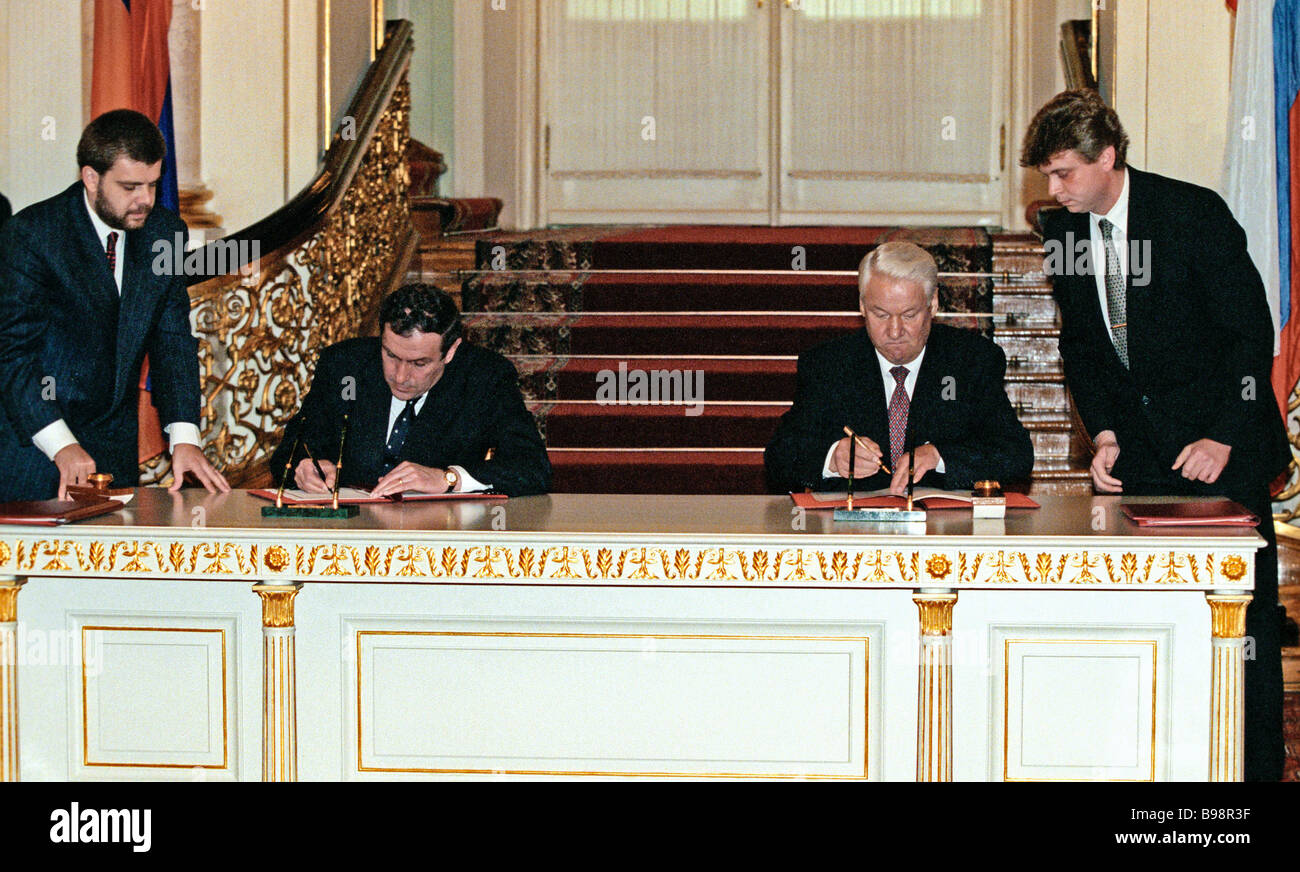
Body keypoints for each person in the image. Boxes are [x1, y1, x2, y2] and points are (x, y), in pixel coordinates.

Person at [1022, 89, 1291, 781]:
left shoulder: (1191, 214)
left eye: (1063, 173)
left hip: (1218, 449)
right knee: (1148, 614)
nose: (1053, 189)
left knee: (1240, 625)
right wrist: (1105, 433)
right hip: (1141, 452)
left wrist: (1223, 438)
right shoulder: (1068, 233)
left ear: (1107, 156)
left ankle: (1251, 778)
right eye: (1047, 176)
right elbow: (1083, 345)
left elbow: (1247, 335)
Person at [0, 109, 228, 501]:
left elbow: (172, 339)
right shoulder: (33, 235)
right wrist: (61, 445)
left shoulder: (165, 232)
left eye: (154, 185)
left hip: (114, 459)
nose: (145, 200)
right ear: (91, 178)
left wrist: (184, 437)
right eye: (130, 187)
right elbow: (11, 354)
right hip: (35, 451)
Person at [765, 241, 1034, 494]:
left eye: (909, 315)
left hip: (942, 534)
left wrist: (939, 456)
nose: (895, 331)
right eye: (880, 315)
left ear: (933, 304)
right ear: (861, 306)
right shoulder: (829, 364)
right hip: (853, 533)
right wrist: (832, 458)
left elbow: (1016, 455)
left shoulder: (971, 360)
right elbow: (779, 458)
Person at [269, 283, 551, 497]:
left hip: (438, 538)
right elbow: (292, 448)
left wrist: (448, 479)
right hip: (344, 531)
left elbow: (532, 468)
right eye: (391, 356)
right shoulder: (345, 365)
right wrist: (303, 466)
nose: (401, 376)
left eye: (419, 363)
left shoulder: (484, 377)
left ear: (451, 351)